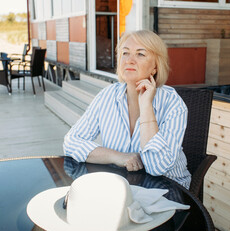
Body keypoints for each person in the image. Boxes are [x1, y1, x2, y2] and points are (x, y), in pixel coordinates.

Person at [63, 30, 191, 189]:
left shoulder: (173, 103)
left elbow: (156, 167)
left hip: (168, 191)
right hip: (123, 187)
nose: (129, 60)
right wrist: (118, 157)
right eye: (125, 53)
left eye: (140, 54)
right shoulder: (108, 96)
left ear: (155, 67)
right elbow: (71, 142)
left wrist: (146, 107)